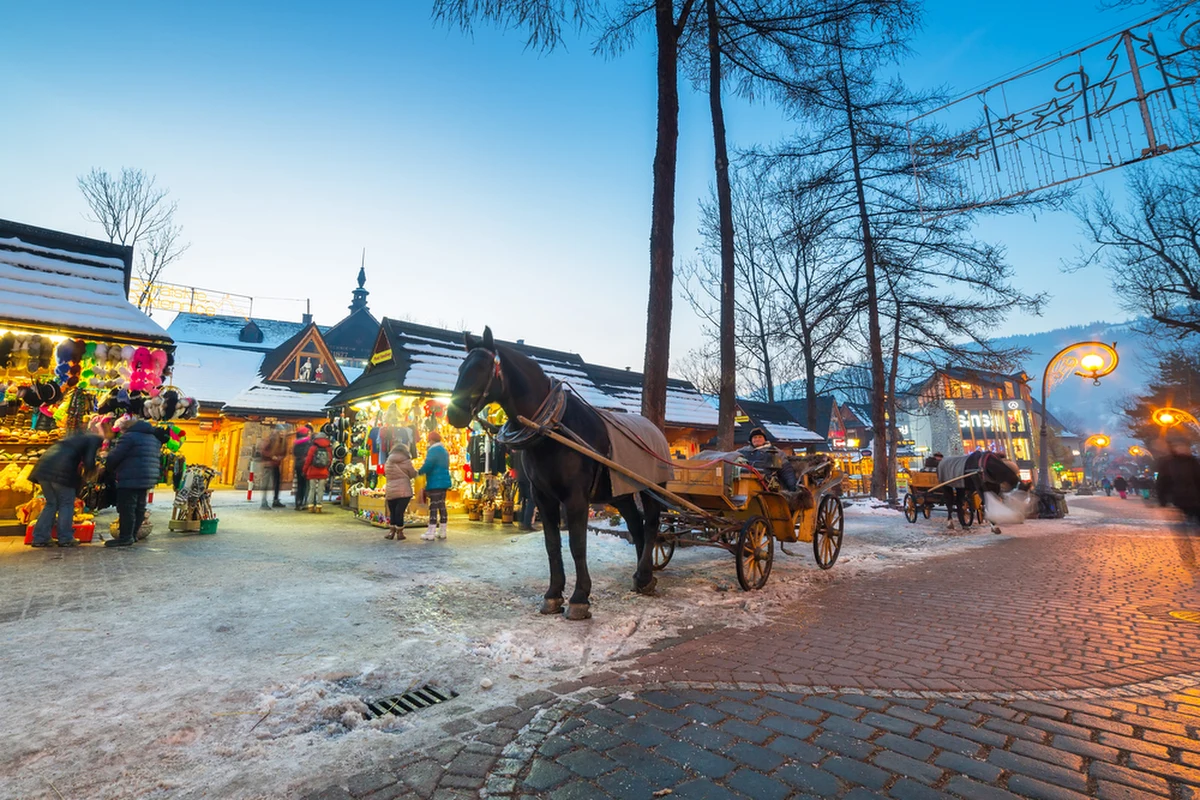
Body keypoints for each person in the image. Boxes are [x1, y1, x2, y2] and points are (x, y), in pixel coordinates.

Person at [28, 433, 104, 547]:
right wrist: (96, 469)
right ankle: (65, 537)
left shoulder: (70, 440)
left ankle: (40, 537)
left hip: (43, 471)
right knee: (66, 504)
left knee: (51, 504)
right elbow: (89, 462)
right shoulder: (93, 440)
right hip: (61, 474)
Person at [104, 419, 162, 547]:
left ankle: (125, 537)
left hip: (130, 476)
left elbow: (116, 456)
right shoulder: (153, 438)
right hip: (147, 477)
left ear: (125, 428)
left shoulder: (129, 437)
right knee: (139, 507)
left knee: (127, 507)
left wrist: (108, 466)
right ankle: (133, 535)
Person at [1156, 438, 1200, 525]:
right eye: (1179, 446)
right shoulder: (1169, 463)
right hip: (1180, 497)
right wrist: (1162, 499)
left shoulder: (1194, 461)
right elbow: (1162, 481)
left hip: (1196, 496)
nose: (1182, 449)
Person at [418, 430, 452, 540]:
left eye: (429, 441)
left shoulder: (433, 450)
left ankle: (431, 532)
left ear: (432, 440)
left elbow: (428, 465)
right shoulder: (444, 451)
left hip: (435, 482)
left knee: (433, 506)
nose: (428, 443)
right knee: (442, 506)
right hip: (444, 482)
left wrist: (420, 471)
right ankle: (442, 531)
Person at [384, 443, 418, 540]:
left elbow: (386, 473)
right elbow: (412, 473)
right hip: (404, 490)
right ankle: (400, 533)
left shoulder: (388, 461)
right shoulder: (406, 461)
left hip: (390, 489)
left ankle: (391, 532)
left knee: (393, 512)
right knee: (400, 512)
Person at [302, 429, 334, 513]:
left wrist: (304, 470)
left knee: (312, 489)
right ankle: (319, 507)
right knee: (321, 489)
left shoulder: (313, 447)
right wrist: (326, 468)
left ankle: (310, 506)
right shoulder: (328, 448)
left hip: (312, 471)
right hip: (323, 471)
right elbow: (330, 460)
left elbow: (308, 460)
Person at [258, 425, 287, 509]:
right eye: (281, 432)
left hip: (276, 464)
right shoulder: (270, 439)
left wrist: (279, 457)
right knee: (266, 484)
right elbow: (263, 450)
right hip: (268, 464)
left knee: (277, 482)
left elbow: (284, 452)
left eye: (283, 432)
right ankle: (263, 502)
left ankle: (276, 500)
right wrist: (271, 456)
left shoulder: (283, 441)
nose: (282, 433)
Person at [292, 425, 312, 510]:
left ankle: (298, 502)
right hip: (305, 464)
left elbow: (294, 453)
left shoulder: (296, 443)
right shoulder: (308, 442)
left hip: (297, 464)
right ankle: (303, 502)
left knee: (299, 485)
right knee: (304, 485)